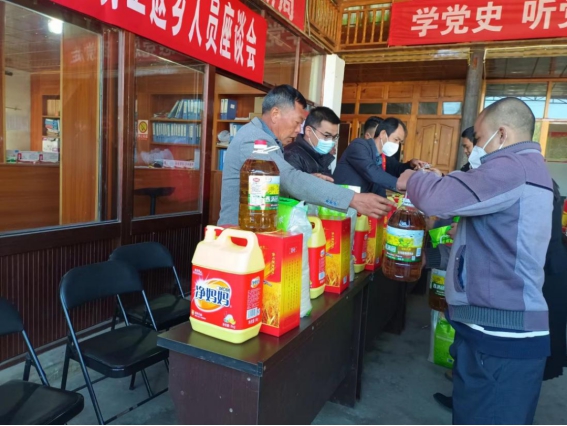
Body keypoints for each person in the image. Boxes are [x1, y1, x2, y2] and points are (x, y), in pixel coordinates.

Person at [397, 97, 554, 425]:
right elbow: (491, 247)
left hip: (501, 337)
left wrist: (411, 178)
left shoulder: (513, 167)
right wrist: (430, 258)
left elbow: (438, 199)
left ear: (502, 134)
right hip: (492, 331)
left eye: (479, 139)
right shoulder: (526, 169)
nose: (476, 150)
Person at [218, 85, 394, 226]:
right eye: (297, 122)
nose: (298, 130)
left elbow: (272, 183)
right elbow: (287, 178)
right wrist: (352, 199)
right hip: (238, 233)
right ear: (275, 114)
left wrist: (310, 178)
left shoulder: (267, 139)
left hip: (256, 228)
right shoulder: (253, 140)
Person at [333, 117, 426, 196]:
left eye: (399, 142)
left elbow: (379, 186)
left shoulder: (379, 158)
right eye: (396, 139)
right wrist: (402, 184)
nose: (397, 145)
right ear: (383, 134)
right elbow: (371, 171)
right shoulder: (359, 145)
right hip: (340, 203)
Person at [284, 106, 339, 178]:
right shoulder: (292, 155)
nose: (331, 141)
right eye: (327, 135)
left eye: (334, 137)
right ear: (309, 131)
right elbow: (290, 183)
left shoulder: (322, 155)